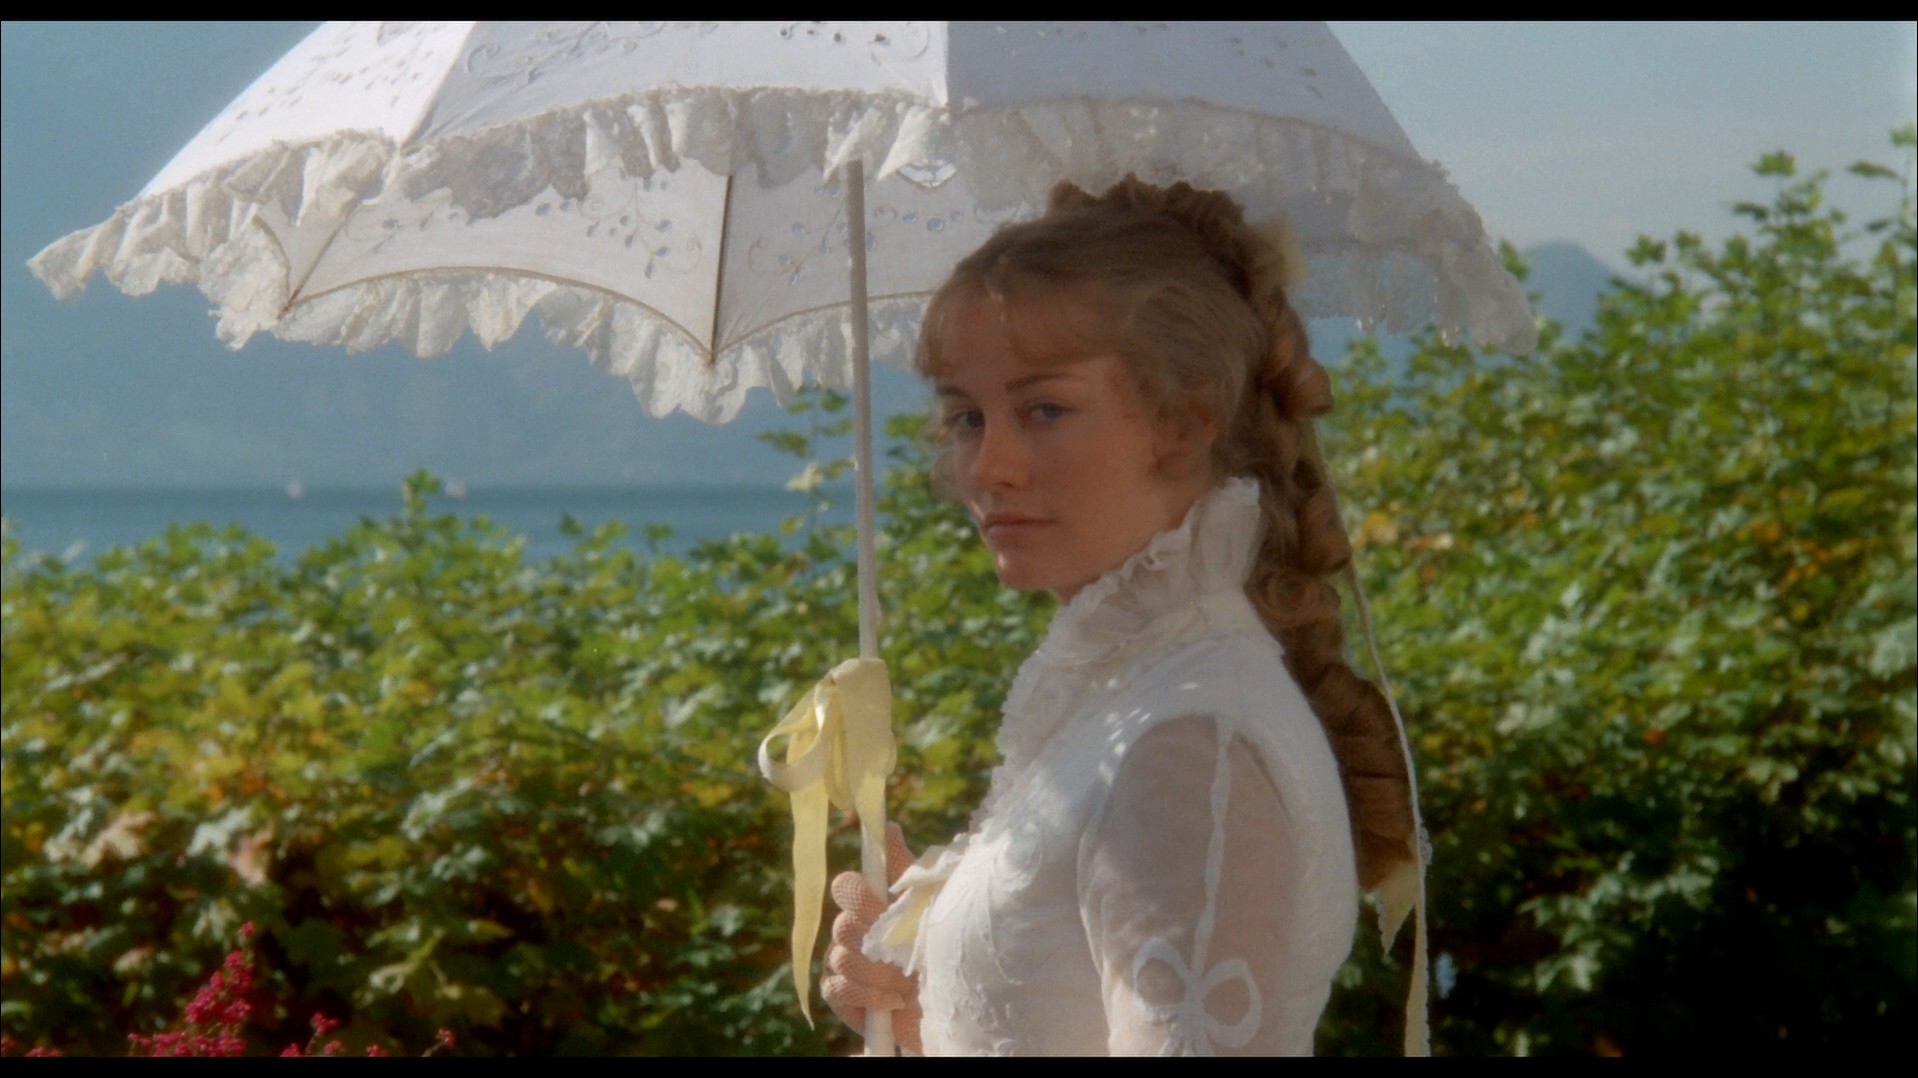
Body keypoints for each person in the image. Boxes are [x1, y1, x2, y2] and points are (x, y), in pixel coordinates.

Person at [820, 177, 1418, 1056]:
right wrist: (921, 1011)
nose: (989, 467)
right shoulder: (1139, 698)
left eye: (1045, 409)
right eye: (967, 417)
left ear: (1187, 420)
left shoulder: (1186, 745)